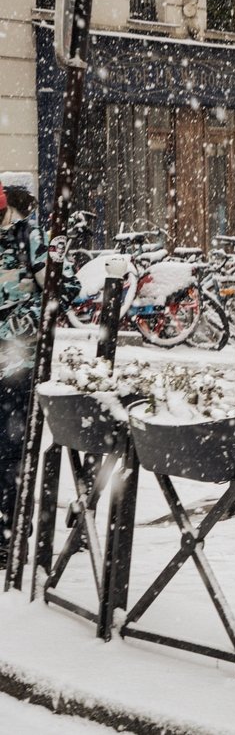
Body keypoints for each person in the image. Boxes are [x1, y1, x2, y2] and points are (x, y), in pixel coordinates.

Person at [0, 183, 47, 566]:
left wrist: (19, 321)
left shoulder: (28, 237)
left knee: (11, 452)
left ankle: (10, 536)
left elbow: (62, 288)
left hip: (17, 365)